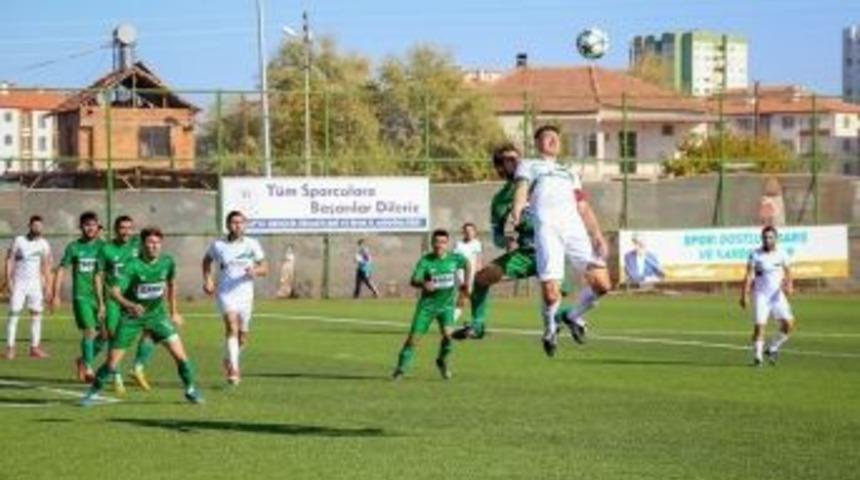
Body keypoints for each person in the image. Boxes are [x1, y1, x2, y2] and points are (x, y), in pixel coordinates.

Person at [452, 144, 573, 341]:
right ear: (500, 168)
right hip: (525, 254)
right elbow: (497, 236)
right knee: (481, 278)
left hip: (552, 248)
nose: (516, 162)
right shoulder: (500, 200)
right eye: (509, 159)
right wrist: (506, 240)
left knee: (552, 297)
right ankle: (477, 325)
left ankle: (564, 317)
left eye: (517, 157)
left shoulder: (540, 182)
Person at [511, 125, 612, 357]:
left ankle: (572, 316)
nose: (553, 140)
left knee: (603, 285)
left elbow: (583, 206)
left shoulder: (569, 171)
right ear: (537, 143)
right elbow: (521, 191)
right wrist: (517, 211)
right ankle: (549, 331)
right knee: (550, 293)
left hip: (575, 230)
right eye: (547, 137)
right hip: (548, 230)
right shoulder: (529, 165)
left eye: (556, 137)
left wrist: (596, 234)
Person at [81, 227, 202, 406]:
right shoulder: (132, 265)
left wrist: (174, 312)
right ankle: (93, 392)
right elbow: (114, 292)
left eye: (157, 243)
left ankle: (190, 390)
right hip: (131, 319)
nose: (154, 246)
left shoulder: (167, 262)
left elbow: (171, 283)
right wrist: (130, 305)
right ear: (142, 244)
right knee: (112, 363)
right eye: (150, 242)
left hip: (158, 317)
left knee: (181, 356)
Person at [392, 229, 471, 380]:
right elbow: (413, 280)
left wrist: (466, 285)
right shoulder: (426, 261)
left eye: (442, 242)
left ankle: (442, 361)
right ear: (432, 243)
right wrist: (423, 283)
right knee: (413, 339)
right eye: (436, 242)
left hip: (446, 307)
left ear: (447, 244)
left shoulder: (455, 259)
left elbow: (467, 264)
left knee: (448, 336)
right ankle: (400, 369)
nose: (439, 245)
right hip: (427, 307)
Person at [203, 210, 267, 386]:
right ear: (227, 225)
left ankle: (228, 359)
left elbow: (265, 268)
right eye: (234, 222)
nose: (237, 225)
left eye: (241, 222)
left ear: (245, 225)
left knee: (243, 337)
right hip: (226, 293)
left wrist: (255, 271)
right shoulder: (218, 245)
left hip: (246, 295)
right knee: (232, 327)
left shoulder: (252, 244)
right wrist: (207, 279)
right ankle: (234, 369)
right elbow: (206, 260)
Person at [95, 215, 156, 393]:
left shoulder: (137, 244)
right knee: (115, 337)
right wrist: (101, 303)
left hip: (136, 298)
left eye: (129, 228)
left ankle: (137, 368)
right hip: (114, 299)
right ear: (115, 229)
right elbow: (98, 276)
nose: (126, 231)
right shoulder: (106, 249)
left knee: (150, 331)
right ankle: (116, 376)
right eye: (122, 228)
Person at [53, 211, 106, 381]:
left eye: (93, 225)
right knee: (89, 331)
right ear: (81, 227)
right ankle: (89, 369)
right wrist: (56, 294)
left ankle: (83, 360)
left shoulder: (102, 247)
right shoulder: (74, 247)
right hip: (81, 296)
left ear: (98, 226)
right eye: (87, 225)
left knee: (106, 334)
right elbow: (61, 269)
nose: (90, 228)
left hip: (100, 297)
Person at [740, 226, 795, 366]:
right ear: (762, 238)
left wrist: (789, 285)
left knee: (789, 324)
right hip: (761, 295)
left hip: (777, 295)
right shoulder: (755, 254)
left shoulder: (782, 254)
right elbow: (749, 275)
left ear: (776, 238)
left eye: (770, 237)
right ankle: (758, 358)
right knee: (760, 326)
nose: (767, 240)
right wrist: (744, 294)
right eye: (765, 237)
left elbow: (788, 272)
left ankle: (773, 347)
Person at [4, 215, 52, 359]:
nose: (37, 228)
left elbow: (46, 266)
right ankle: (10, 348)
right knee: (14, 314)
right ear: (29, 226)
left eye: (39, 226)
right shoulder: (19, 240)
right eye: (34, 225)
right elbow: (9, 260)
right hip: (19, 284)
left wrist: (48, 286)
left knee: (36, 315)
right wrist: (8, 280)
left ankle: (34, 348)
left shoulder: (44, 244)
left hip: (35, 285)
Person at [453, 223, 482, 322]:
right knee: (466, 294)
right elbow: (455, 259)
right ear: (463, 232)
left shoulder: (477, 243)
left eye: (471, 230)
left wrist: (479, 271)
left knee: (465, 296)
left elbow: (478, 260)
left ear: (474, 232)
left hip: (472, 274)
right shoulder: (458, 244)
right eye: (466, 231)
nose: (469, 232)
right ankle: (474, 321)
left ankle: (454, 318)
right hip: (460, 273)